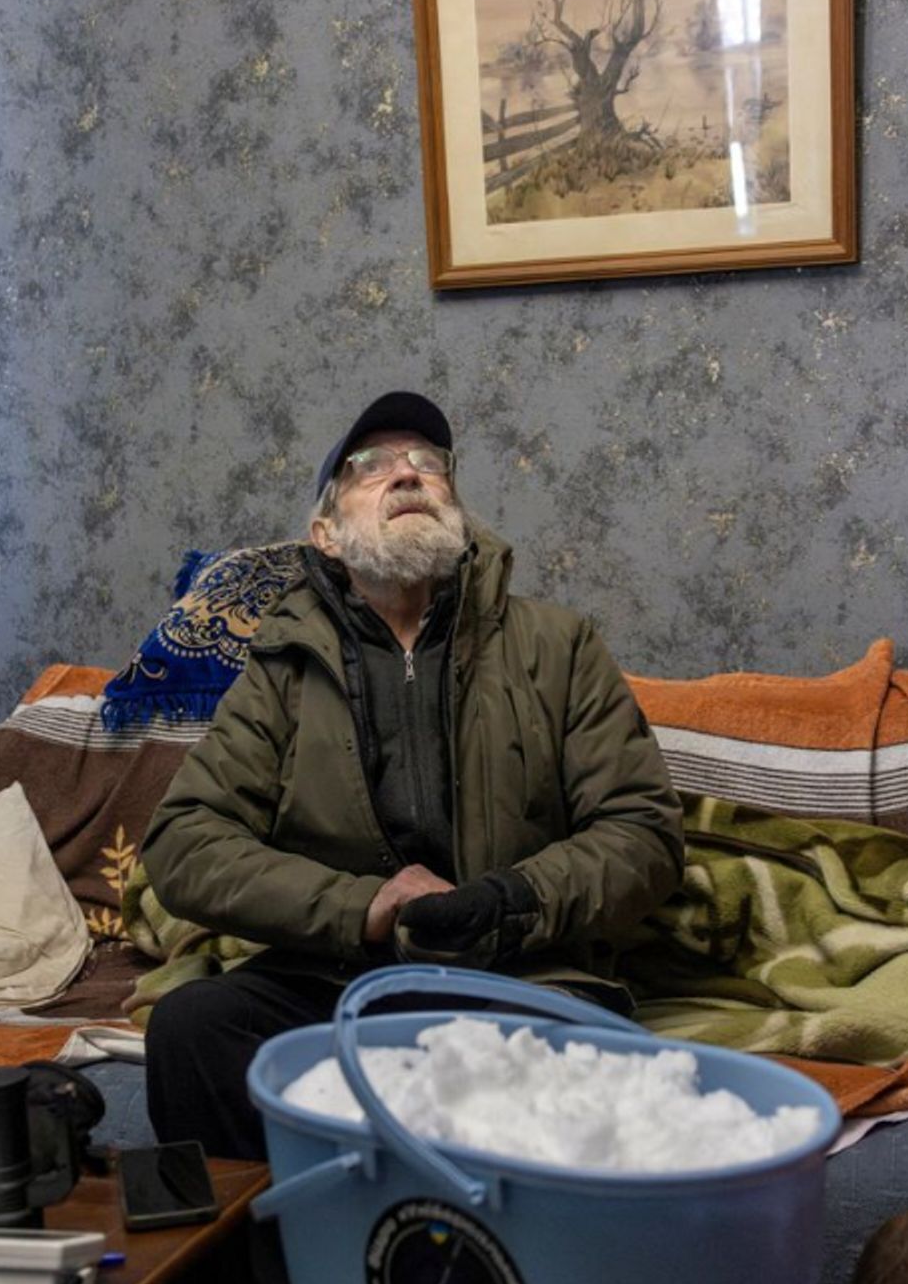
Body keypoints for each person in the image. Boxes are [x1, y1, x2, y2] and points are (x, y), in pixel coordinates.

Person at [140, 391, 685, 1159]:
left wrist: (509, 899)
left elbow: (645, 834)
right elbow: (183, 845)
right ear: (325, 536)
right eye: (372, 466)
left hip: (519, 977)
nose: (408, 474)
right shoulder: (283, 668)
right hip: (338, 977)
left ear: (455, 512)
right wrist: (363, 908)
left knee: (584, 1076)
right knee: (194, 1026)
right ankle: (281, 1268)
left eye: (428, 464)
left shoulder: (557, 646)